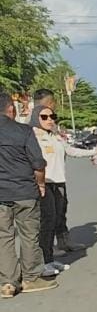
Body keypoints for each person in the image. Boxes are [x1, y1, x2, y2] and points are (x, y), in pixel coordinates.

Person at [0, 92, 56, 296]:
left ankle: (7, 282)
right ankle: (30, 278)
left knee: (3, 237)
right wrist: (40, 183)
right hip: (24, 191)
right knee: (29, 235)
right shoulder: (23, 131)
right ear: (10, 109)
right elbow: (38, 163)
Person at [31, 105, 97, 273]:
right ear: (35, 118)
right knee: (46, 222)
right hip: (44, 183)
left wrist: (95, 151)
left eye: (52, 116)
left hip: (59, 182)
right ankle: (42, 261)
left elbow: (71, 151)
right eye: (44, 117)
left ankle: (49, 259)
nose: (49, 120)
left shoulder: (55, 136)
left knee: (56, 219)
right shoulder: (32, 137)